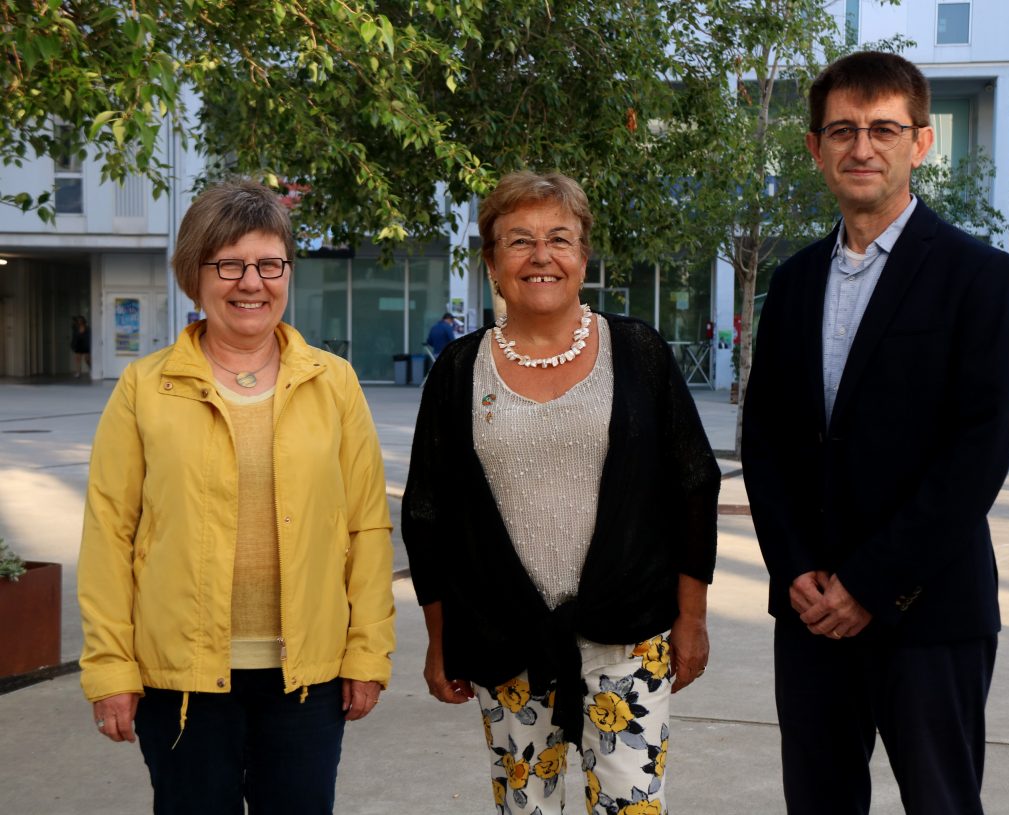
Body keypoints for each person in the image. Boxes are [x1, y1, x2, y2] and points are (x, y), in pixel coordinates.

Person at [741, 52, 1009, 814]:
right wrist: (793, 568)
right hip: (810, 613)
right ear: (815, 148)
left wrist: (870, 582)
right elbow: (765, 441)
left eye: (883, 129)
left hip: (929, 610)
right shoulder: (793, 282)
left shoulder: (979, 276)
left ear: (921, 142)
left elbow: (976, 455)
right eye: (842, 130)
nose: (861, 147)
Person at [402, 170, 720, 814]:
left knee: (632, 806)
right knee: (525, 808)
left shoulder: (638, 352)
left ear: (583, 257)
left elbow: (694, 485)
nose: (540, 255)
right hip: (505, 640)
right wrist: (440, 641)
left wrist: (691, 620)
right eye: (519, 240)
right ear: (492, 263)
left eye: (559, 238)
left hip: (629, 637)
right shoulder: (459, 371)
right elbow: (427, 514)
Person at [77, 180, 396, 815]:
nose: (251, 282)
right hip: (181, 679)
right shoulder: (145, 387)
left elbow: (366, 526)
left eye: (269, 264)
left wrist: (367, 652)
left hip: (307, 679)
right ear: (193, 276)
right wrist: (110, 667)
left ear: (287, 273)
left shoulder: (333, 382)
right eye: (229, 264)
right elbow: (109, 533)